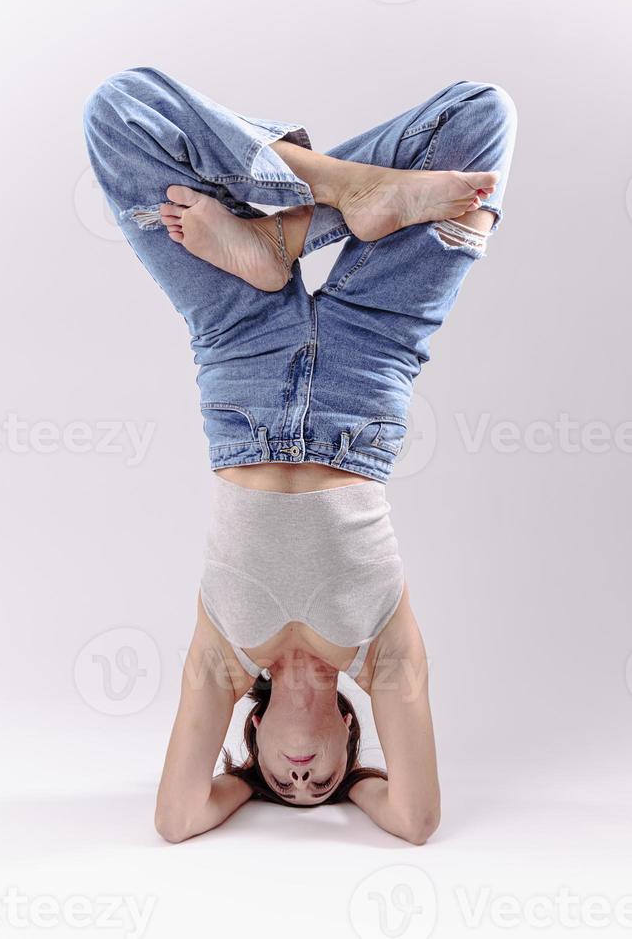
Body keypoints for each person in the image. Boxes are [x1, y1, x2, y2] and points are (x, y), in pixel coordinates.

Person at [83, 67, 517, 844]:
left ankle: (294, 224)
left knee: (119, 111)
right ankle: (335, 198)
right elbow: (416, 822)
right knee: (483, 117)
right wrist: (368, 792)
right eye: (322, 783)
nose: (302, 779)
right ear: (354, 739)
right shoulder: (383, 656)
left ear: (249, 742)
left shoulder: (223, 658)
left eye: (283, 784)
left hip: (240, 349)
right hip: (371, 364)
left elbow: (178, 819)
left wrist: (240, 795)